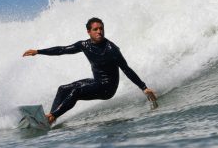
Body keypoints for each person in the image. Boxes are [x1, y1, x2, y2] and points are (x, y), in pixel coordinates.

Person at [23, 17, 156, 124]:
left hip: (107, 89)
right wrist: (38, 51)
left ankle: (52, 116)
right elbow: (62, 50)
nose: (99, 32)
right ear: (89, 32)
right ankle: (51, 119)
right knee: (63, 89)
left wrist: (143, 87)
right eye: (95, 29)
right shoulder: (84, 45)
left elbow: (126, 69)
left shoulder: (111, 49)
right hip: (97, 82)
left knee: (76, 92)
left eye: (101, 29)